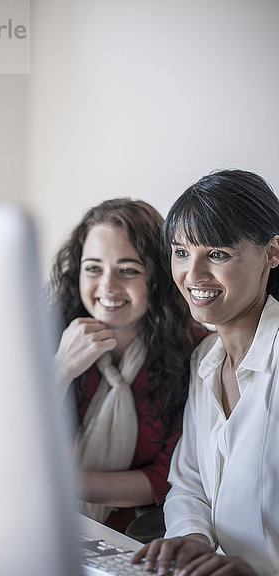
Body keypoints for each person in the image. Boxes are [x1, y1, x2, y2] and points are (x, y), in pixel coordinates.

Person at [133, 170, 279, 576]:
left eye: (216, 253)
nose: (192, 274)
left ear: (272, 252)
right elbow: (189, 480)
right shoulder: (205, 359)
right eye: (181, 252)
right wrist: (191, 541)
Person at [48, 198, 206, 533]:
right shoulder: (44, 335)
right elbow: (6, 445)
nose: (107, 287)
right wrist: (59, 370)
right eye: (93, 268)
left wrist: (59, 483)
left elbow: (167, 477)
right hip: (41, 523)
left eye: (128, 270)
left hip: (134, 536)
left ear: (158, 277)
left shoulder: (194, 349)